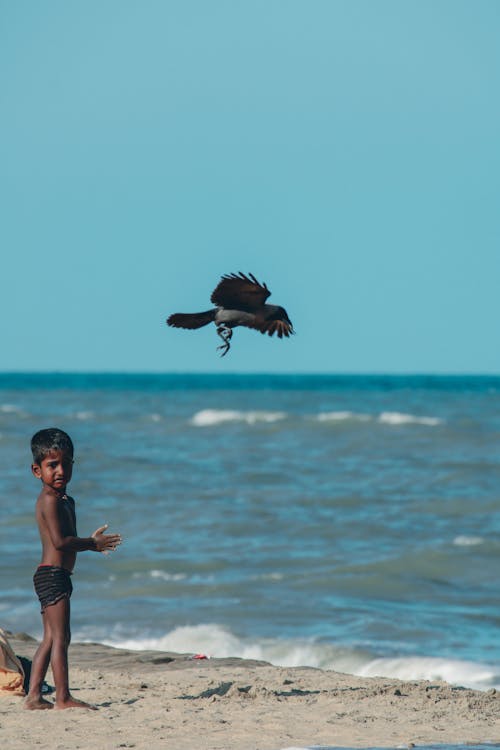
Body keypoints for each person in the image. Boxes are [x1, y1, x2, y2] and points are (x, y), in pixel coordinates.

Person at [24, 428, 122, 710]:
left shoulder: (67, 500)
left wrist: (90, 543)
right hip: (51, 575)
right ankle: (63, 697)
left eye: (66, 463)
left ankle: (33, 696)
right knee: (61, 637)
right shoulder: (49, 500)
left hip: (58, 576)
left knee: (50, 637)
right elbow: (60, 541)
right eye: (52, 465)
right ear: (36, 470)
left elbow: (69, 540)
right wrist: (93, 543)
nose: (60, 470)